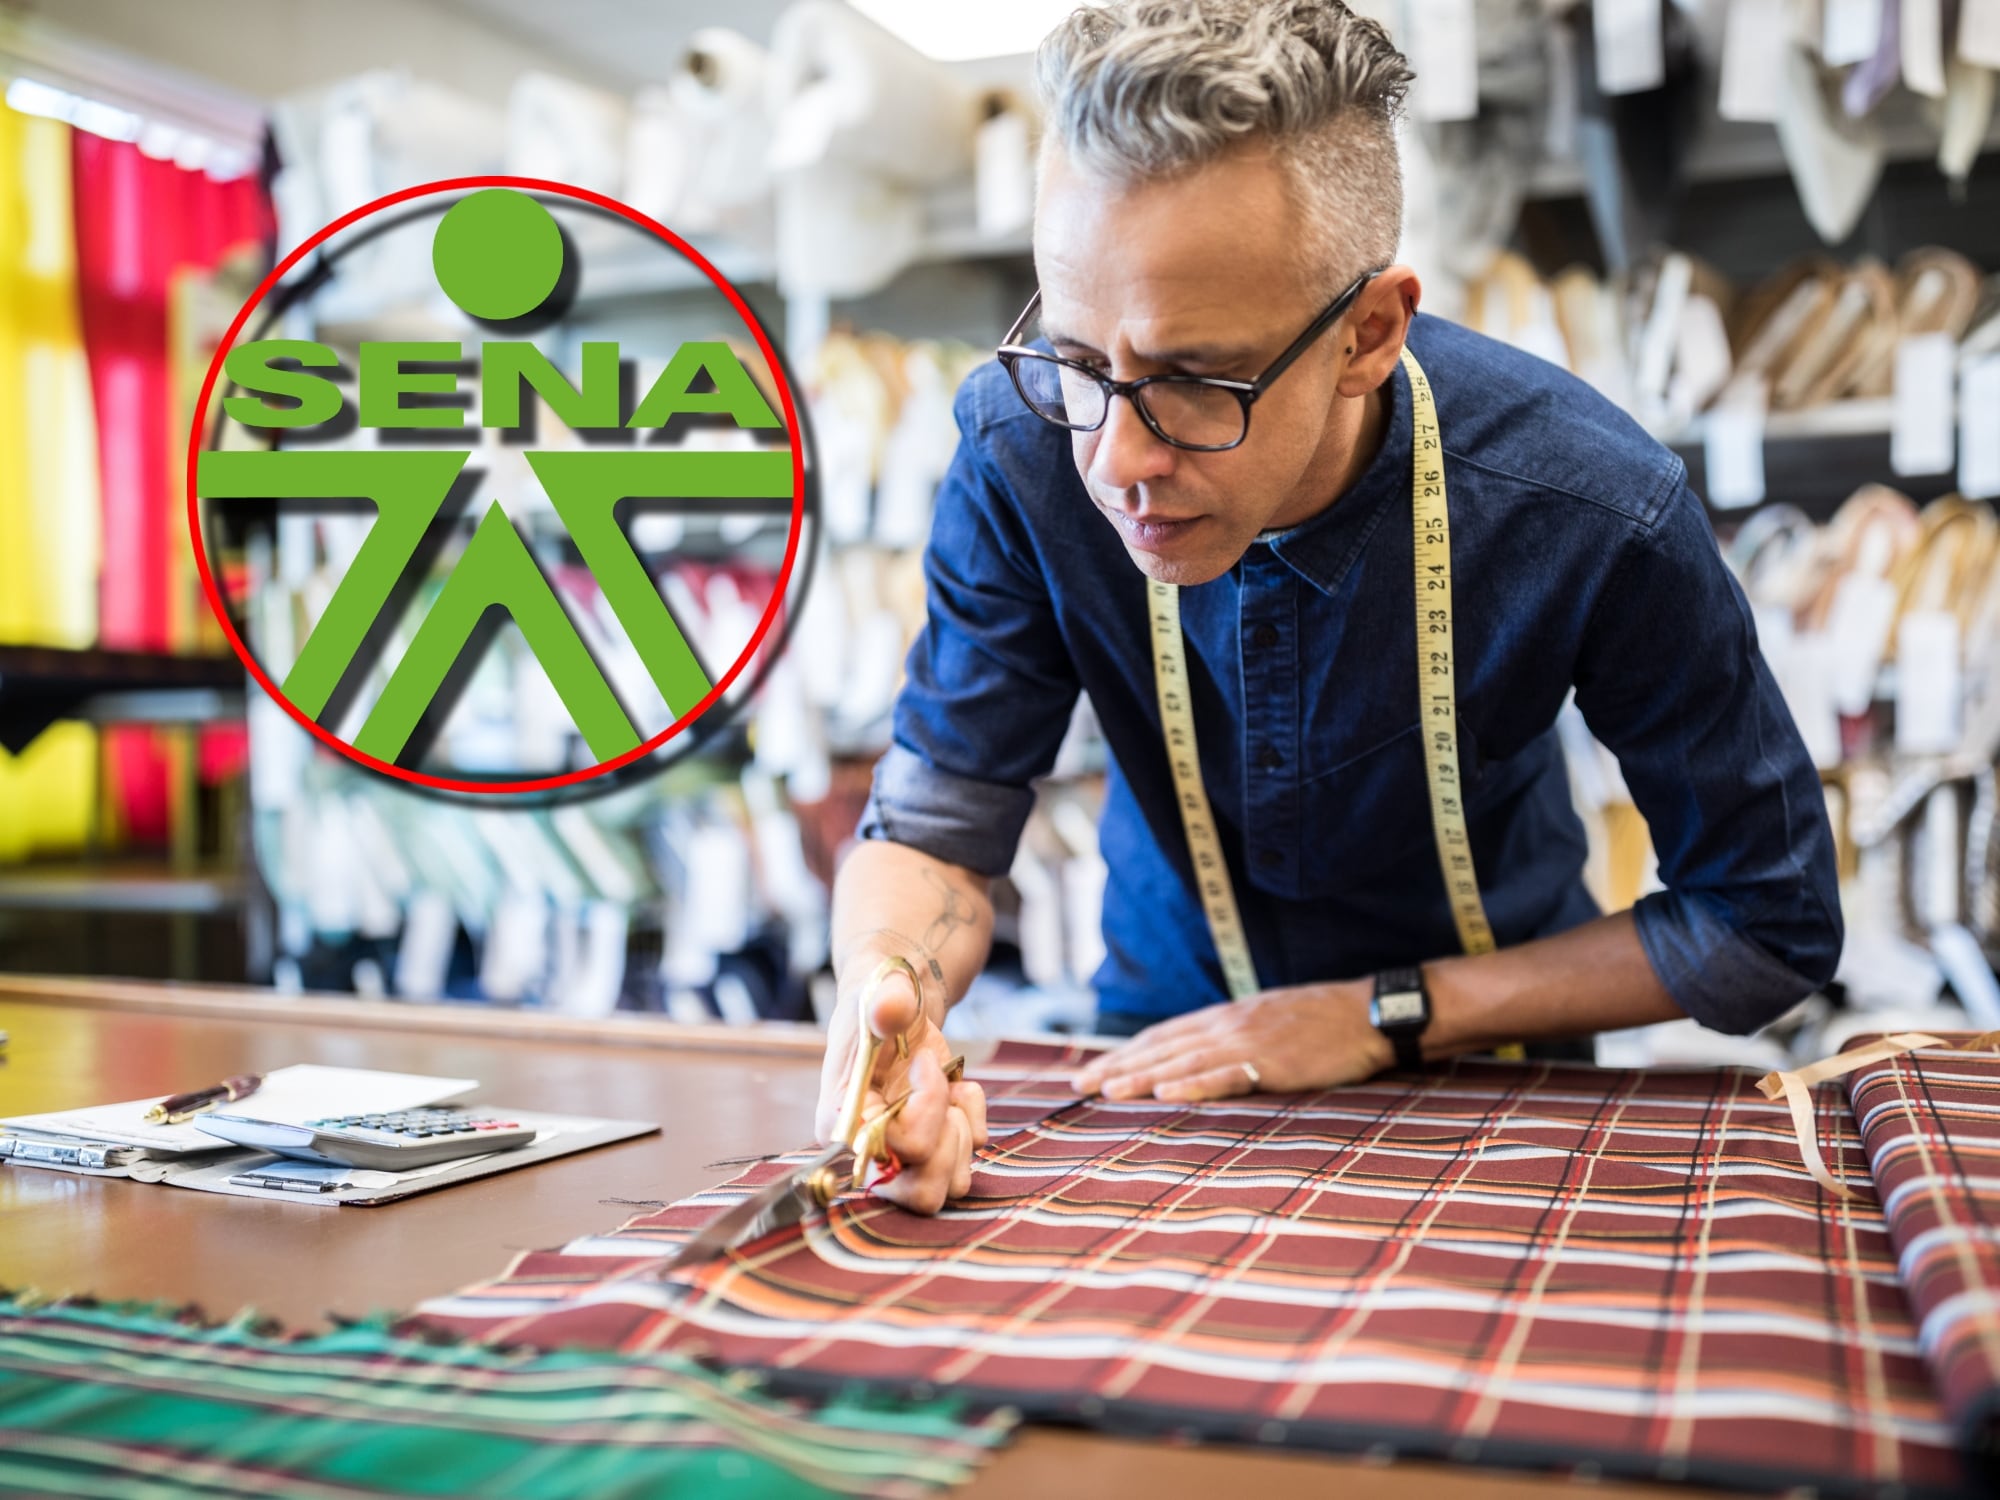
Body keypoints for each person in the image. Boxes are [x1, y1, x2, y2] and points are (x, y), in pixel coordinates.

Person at [816, 0, 1841, 1214]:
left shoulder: (1586, 507)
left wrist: (1377, 1014)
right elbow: (939, 818)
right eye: (1079, 362)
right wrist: (889, 1007)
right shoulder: (1019, 446)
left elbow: (1763, 924)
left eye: (1193, 379)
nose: (1113, 462)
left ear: (1366, 334)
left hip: (1492, 1071)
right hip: (1162, 1052)